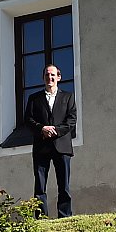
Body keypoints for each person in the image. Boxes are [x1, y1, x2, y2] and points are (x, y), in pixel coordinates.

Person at [25, 64, 77, 218]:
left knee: (64, 185)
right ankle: (41, 216)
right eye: (47, 75)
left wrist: (55, 130)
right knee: (40, 185)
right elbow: (28, 120)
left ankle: (65, 215)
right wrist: (42, 129)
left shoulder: (68, 97)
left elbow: (72, 120)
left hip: (62, 145)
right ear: (43, 78)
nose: (50, 78)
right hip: (42, 147)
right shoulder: (34, 99)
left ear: (59, 77)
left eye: (53, 75)